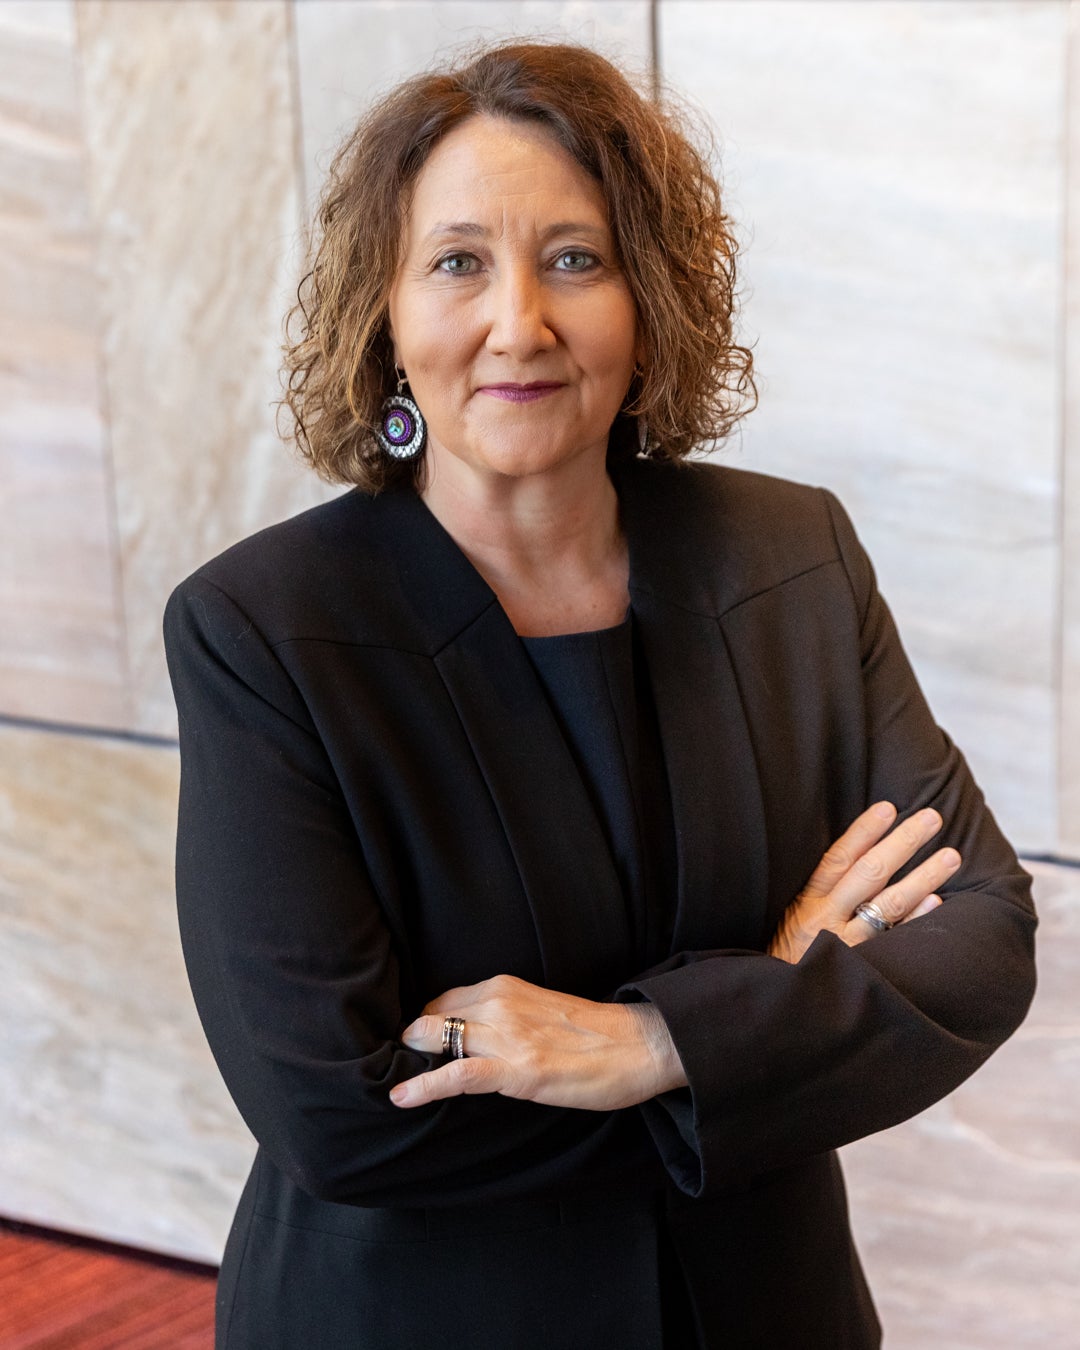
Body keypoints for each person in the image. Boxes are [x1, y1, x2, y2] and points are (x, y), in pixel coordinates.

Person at [164, 40, 1037, 1350]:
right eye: (458, 261)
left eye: (575, 258)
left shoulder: (791, 555)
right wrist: (769, 1003)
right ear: (386, 313)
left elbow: (978, 932)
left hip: (767, 1308)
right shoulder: (265, 628)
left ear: (650, 299)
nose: (521, 321)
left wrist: (653, 1045)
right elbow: (340, 1110)